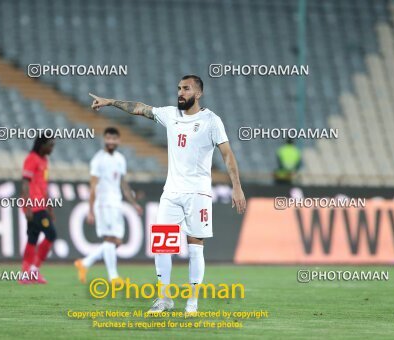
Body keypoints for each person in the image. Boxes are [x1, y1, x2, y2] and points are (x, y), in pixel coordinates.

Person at [88, 75, 246, 315]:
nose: (180, 92)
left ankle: (192, 301)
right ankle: (164, 298)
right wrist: (110, 102)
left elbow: (227, 154)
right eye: (179, 88)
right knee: (162, 246)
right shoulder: (170, 114)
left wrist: (237, 186)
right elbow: (140, 108)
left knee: (195, 247)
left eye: (186, 88)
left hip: (198, 192)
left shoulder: (211, 121)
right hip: (171, 192)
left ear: (199, 93)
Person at [74, 127, 143, 285]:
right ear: (104, 139)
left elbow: (123, 183)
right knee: (111, 239)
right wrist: (90, 210)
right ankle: (113, 277)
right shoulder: (98, 160)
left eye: (114, 139)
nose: (111, 141)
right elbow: (93, 187)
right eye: (108, 138)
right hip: (104, 203)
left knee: (116, 242)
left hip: (116, 202)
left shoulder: (120, 158)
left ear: (118, 140)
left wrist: (134, 203)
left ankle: (85, 263)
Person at [19, 136, 56, 284]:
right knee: (51, 234)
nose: (52, 148)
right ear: (42, 145)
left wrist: (50, 206)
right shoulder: (32, 159)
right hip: (34, 205)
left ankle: (26, 272)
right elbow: (25, 184)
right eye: (50, 145)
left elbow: (44, 186)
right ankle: (33, 270)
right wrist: (27, 206)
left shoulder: (44, 161)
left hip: (41, 204)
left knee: (33, 237)